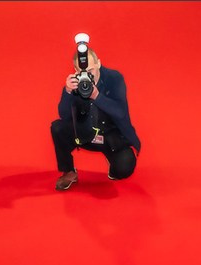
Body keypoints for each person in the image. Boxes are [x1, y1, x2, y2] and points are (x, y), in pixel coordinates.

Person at [50, 40, 141, 191]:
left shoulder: (114, 78)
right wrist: (67, 92)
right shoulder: (75, 83)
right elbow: (63, 115)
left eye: (91, 70)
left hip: (110, 136)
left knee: (125, 167)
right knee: (57, 128)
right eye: (82, 72)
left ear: (99, 63)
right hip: (83, 132)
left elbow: (120, 112)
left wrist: (97, 96)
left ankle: (114, 167)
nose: (87, 76)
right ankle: (69, 172)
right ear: (75, 70)